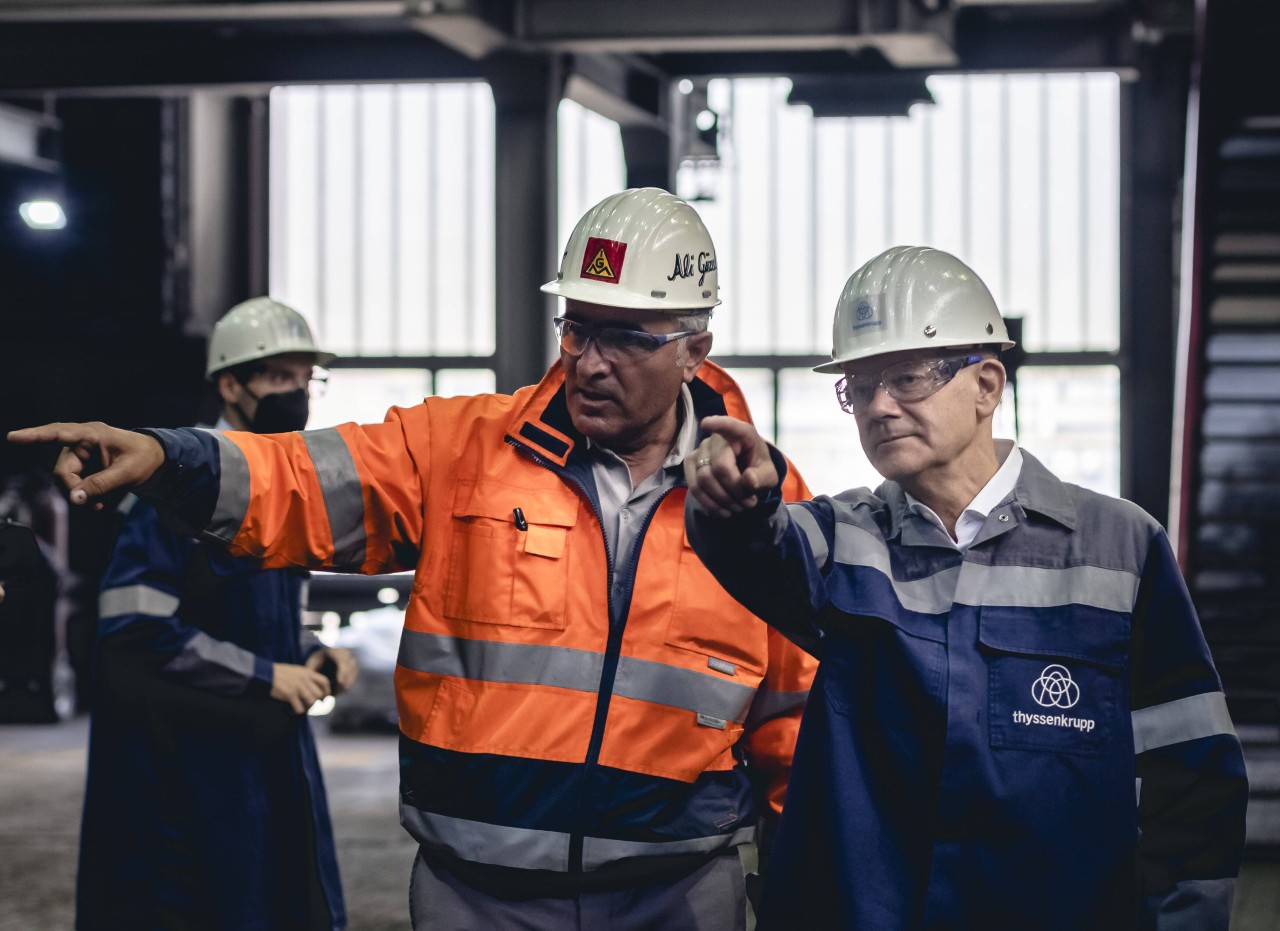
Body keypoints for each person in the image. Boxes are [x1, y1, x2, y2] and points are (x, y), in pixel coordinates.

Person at [14, 189, 817, 931]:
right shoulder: (461, 449)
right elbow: (294, 479)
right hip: (479, 898)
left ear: (694, 348)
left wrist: (794, 878)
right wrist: (167, 458)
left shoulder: (757, 497)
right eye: (577, 328)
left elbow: (794, 714)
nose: (590, 360)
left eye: (626, 336)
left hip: (677, 896)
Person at [682, 245, 1249, 930]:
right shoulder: (846, 541)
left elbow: (1191, 782)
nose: (879, 406)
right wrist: (739, 501)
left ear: (986, 385)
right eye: (858, 386)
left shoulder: (1118, 552)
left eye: (906, 378)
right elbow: (760, 550)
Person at [75, 297, 355, 931]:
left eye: (306, 379)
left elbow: (270, 610)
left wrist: (311, 651)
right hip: (190, 765)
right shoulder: (171, 495)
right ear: (229, 384)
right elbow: (135, 626)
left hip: (265, 753)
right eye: (279, 377)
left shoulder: (284, 487)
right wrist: (266, 676)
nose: (298, 393)